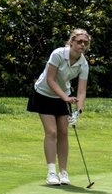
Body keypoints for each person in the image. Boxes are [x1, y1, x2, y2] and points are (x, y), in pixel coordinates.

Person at [27, 29, 90, 186]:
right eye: (79, 41)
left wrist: (78, 111)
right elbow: (50, 79)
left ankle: (63, 172)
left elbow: (81, 91)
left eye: (85, 42)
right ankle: (51, 172)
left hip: (63, 96)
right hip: (43, 93)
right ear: (72, 42)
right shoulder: (58, 54)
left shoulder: (83, 63)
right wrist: (65, 98)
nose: (82, 45)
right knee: (52, 132)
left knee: (63, 132)